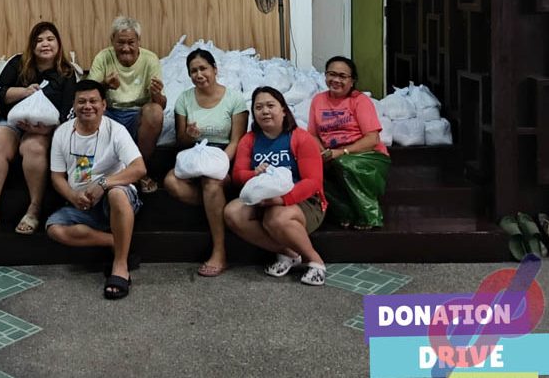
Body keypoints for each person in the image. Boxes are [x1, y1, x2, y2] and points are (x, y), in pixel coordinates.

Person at [46, 80, 146, 299]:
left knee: (117, 194)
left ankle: (120, 266)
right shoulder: (62, 132)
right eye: (81, 102)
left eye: (93, 101)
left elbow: (139, 168)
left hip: (114, 199)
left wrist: (104, 184)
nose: (87, 106)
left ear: (103, 105)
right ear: (74, 105)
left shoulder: (116, 130)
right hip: (82, 203)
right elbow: (57, 177)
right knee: (54, 228)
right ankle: (117, 242)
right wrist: (73, 196)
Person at [0, 21, 79, 235]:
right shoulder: (18, 62)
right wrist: (24, 92)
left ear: (58, 44)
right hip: (12, 122)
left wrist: (46, 130)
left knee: (33, 147)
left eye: (50, 39)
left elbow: (69, 113)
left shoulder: (67, 73)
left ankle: (34, 209)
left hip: (45, 128)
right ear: (32, 45)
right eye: (39, 40)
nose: (45, 44)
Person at [224, 87, 327, 286]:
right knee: (232, 213)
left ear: (283, 110)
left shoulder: (301, 138)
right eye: (259, 107)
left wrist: (281, 199)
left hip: (303, 200)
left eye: (270, 106)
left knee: (275, 217)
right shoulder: (249, 140)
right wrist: (254, 174)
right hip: (261, 199)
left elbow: (313, 181)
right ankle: (289, 253)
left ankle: (315, 261)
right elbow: (237, 175)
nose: (265, 111)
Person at [162, 49, 248, 277]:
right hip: (194, 155)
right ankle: (217, 207)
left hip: (223, 155)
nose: (199, 75)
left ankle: (219, 251)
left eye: (203, 69)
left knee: (211, 182)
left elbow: (237, 140)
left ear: (215, 69)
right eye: (193, 71)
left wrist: (219, 163)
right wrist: (189, 135)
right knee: (170, 181)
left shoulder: (234, 99)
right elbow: (181, 141)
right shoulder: (184, 99)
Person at [308, 55, 390, 230]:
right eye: (331, 74)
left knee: (343, 163)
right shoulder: (318, 100)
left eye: (342, 76)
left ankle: (370, 215)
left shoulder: (360, 101)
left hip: (369, 156)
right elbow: (313, 135)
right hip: (334, 156)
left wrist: (341, 152)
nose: (336, 80)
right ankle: (346, 213)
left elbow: (372, 139)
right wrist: (323, 153)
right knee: (309, 169)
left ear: (352, 81)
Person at [86, 16, 164, 194]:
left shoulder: (150, 59)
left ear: (138, 41)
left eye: (131, 42)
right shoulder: (103, 57)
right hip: (110, 113)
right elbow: (89, 93)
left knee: (155, 112)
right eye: (120, 42)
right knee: (88, 110)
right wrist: (105, 85)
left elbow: (161, 105)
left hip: (137, 115)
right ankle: (94, 174)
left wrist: (157, 93)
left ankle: (138, 170)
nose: (126, 48)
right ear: (112, 40)